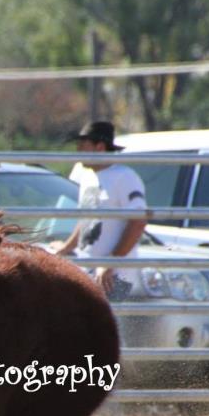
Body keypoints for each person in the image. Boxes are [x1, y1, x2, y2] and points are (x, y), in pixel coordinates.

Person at [52, 120, 147, 299]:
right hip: (88, 272)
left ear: (100, 147)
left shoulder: (125, 177)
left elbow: (138, 222)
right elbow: (87, 219)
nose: (78, 151)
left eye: (83, 146)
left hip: (116, 277)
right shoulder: (87, 176)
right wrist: (66, 247)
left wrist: (111, 261)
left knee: (110, 315)